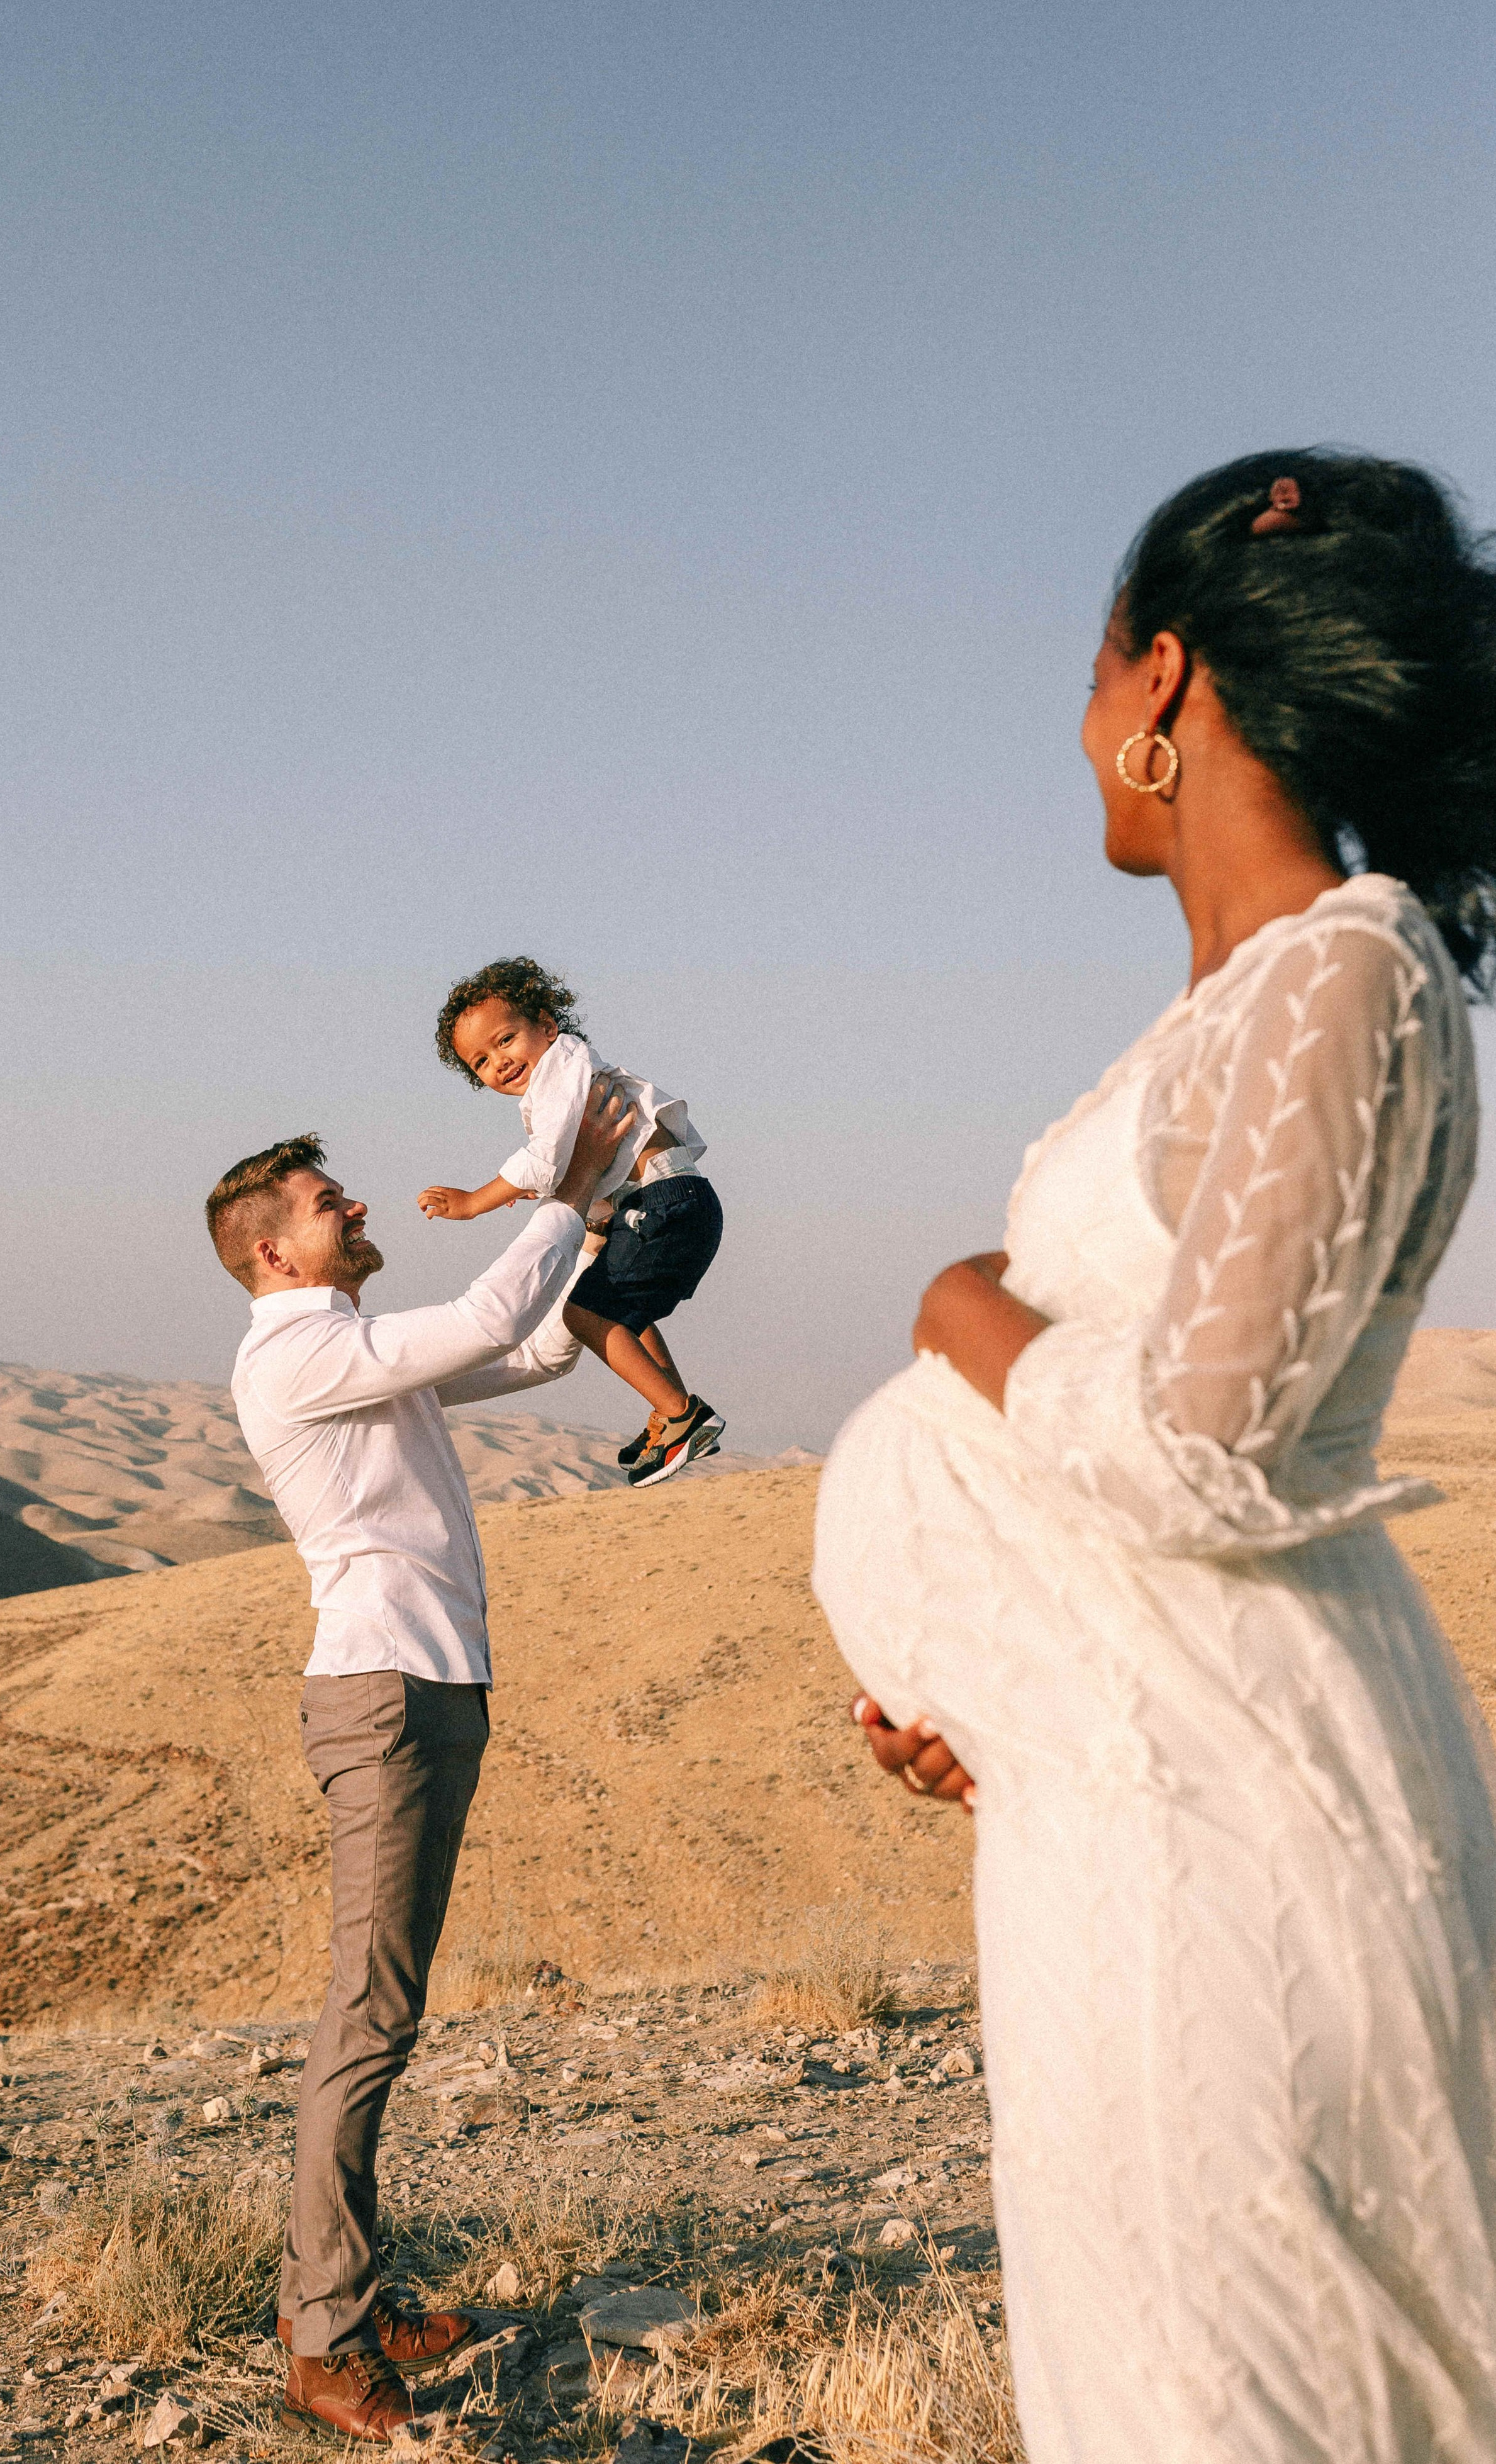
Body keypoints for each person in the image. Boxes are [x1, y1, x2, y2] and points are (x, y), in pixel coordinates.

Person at [813, 451, 1496, 2461]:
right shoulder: (1233, 1010)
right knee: (1150, 2377)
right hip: (1115, 1799)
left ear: (1166, 683)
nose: (1082, 723)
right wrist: (984, 1688)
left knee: (1239, 2390)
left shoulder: (1346, 970)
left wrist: (962, 1307)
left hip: (1236, 1836)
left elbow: (1204, 1455)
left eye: (1094, 666)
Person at [204, 1075, 631, 2443]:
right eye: (332, 1203)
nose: (357, 1204)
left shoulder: (358, 1343)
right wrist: (561, 1186)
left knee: (381, 2012)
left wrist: (614, 1249)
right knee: (369, 2018)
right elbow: (490, 1314)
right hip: (382, 1697)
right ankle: (323, 2336)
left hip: (433, 1684)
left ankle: (343, 2295)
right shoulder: (289, 1355)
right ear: (275, 1249)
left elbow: (531, 1350)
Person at [419, 955, 726, 1486]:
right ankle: (673, 1412)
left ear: (547, 1024)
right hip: (662, 1203)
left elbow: (546, 1156)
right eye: (481, 1062)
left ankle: (681, 1417)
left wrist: (476, 1200)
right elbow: (569, 1166)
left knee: (583, 1316)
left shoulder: (563, 1065)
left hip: (661, 1201)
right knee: (616, 1311)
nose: (499, 1061)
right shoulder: (561, 1080)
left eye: (507, 1038)